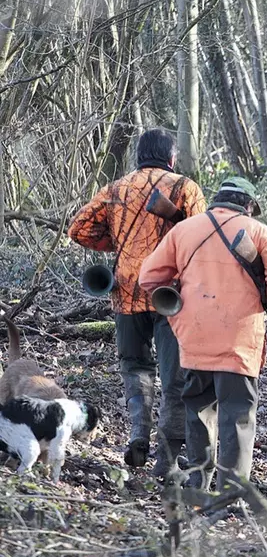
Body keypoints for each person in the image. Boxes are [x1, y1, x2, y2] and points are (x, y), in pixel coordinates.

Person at [139, 177, 267, 490]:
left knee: (198, 412)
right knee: (236, 417)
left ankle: (199, 482)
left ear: (217, 200)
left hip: (194, 338)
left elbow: (149, 278)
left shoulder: (183, 231)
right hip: (238, 339)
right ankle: (231, 491)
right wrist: (266, 299)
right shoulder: (261, 233)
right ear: (249, 206)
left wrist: (182, 312)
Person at [68, 128, 206, 474]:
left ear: (138, 156)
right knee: (175, 377)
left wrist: (118, 245)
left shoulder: (116, 188)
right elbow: (204, 235)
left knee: (135, 368)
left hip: (126, 294)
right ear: (171, 158)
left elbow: (78, 229)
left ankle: (138, 438)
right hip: (172, 295)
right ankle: (168, 459)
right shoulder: (184, 188)